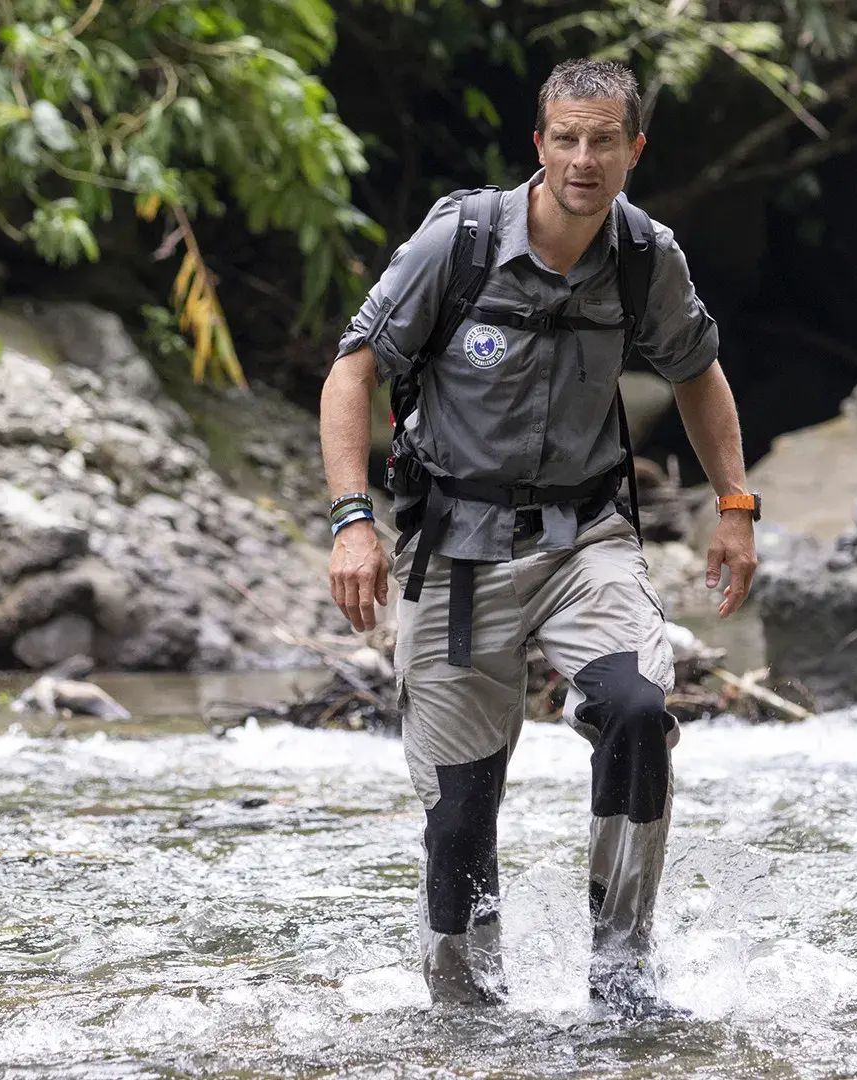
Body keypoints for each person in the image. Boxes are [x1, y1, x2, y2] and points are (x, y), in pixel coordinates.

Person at [316, 58, 759, 1018]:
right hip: (456, 551)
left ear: (635, 150)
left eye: (605, 140)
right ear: (541, 144)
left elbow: (697, 369)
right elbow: (352, 371)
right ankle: (472, 1016)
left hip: (584, 543)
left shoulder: (646, 255)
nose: (584, 159)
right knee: (461, 819)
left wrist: (734, 505)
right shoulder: (460, 242)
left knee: (637, 713)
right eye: (567, 138)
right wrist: (354, 522)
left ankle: (621, 968)